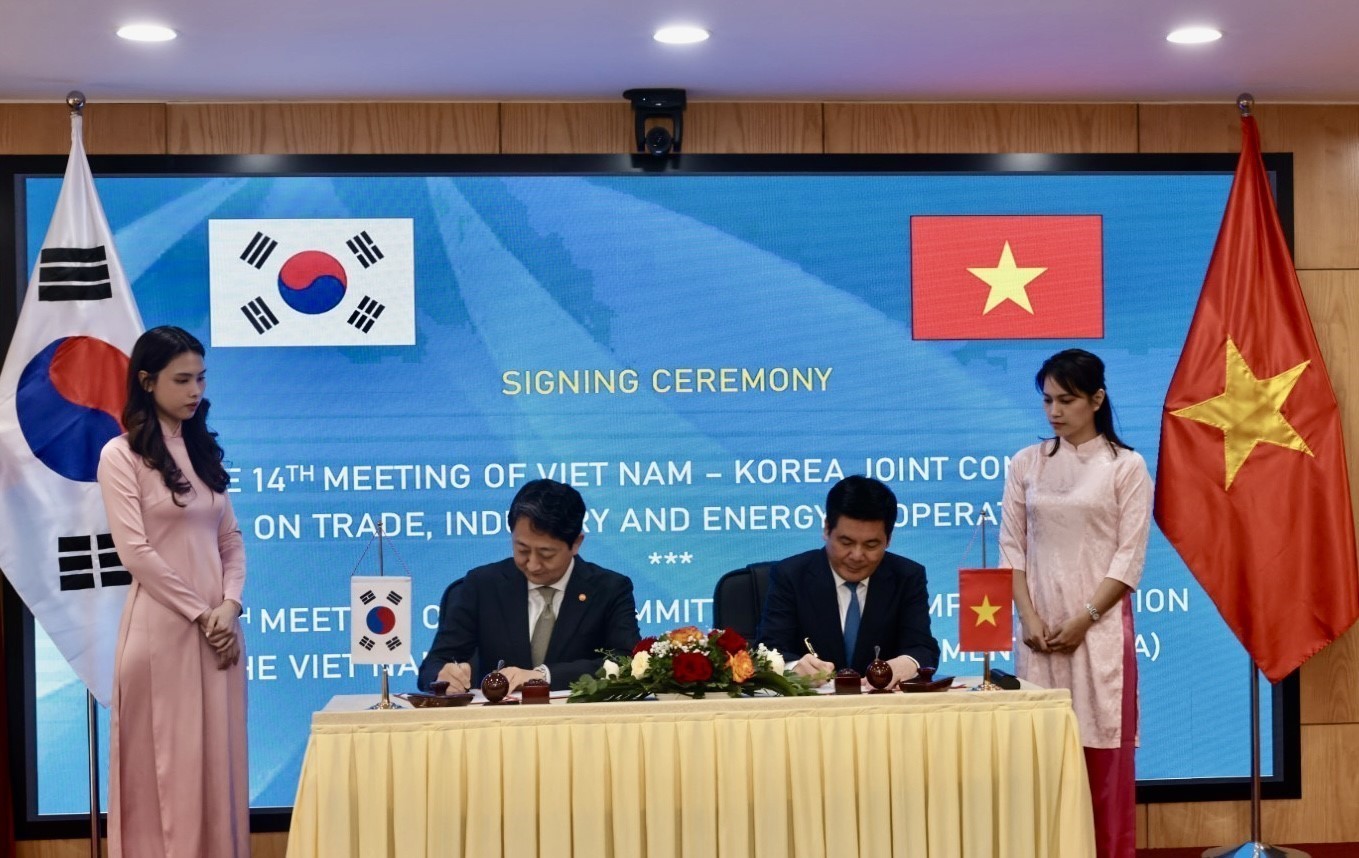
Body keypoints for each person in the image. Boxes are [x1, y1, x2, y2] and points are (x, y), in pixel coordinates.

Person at [96, 325, 248, 858]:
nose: (195, 391)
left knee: (219, 768)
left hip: (221, 635)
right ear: (147, 381)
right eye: (182, 380)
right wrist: (203, 615)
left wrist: (230, 606)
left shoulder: (203, 451)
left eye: (201, 378)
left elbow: (230, 541)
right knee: (165, 771)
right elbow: (135, 552)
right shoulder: (120, 456)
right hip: (162, 633)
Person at [999, 348, 1151, 858]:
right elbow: (1012, 547)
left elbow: (1129, 557)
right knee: (1040, 763)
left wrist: (1085, 619)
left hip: (1098, 633)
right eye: (1047, 400)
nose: (1054, 412)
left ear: (1097, 399)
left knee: (1102, 764)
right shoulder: (1026, 463)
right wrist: (1029, 617)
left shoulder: (1126, 467)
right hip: (1039, 636)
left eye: (1066, 400)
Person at [419, 479, 640, 693]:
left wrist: (544, 676)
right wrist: (443, 676)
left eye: (546, 554)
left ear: (576, 543)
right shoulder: (482, 585)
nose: (533, 565)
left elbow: (627, 662)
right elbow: (433, 665)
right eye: (522, 550)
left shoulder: (610, 589)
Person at [756, 475, 939, 687]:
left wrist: (908, 663)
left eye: (871, 545)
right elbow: (768, 650)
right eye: (846, 542)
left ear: (888, 540)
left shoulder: (907, 576)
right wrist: (793, 667)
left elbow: (922, 648)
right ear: (827, 529)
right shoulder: (791, 575)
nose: (857, 555)